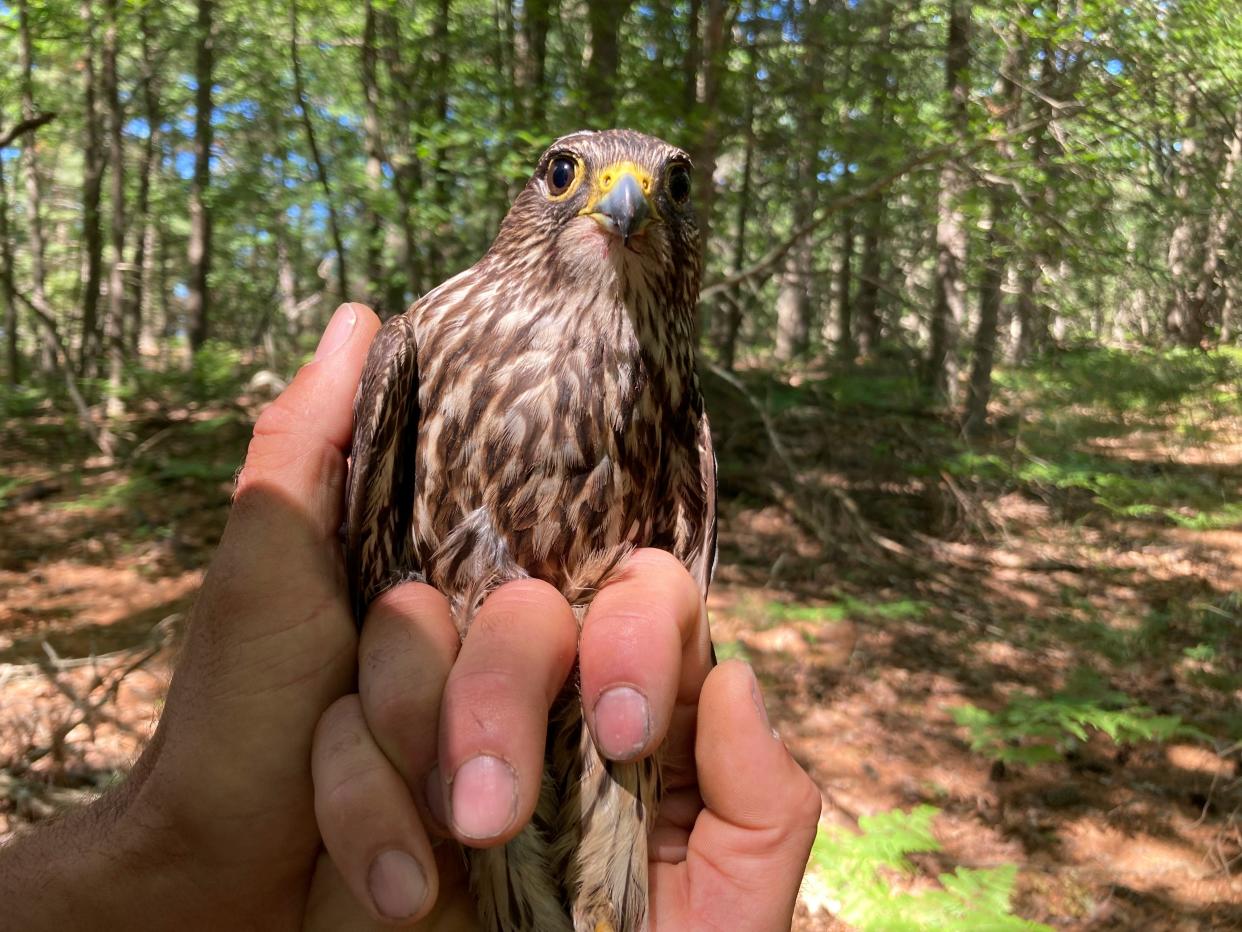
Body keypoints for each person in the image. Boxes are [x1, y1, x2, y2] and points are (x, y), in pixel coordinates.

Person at [0, 304, 821, 930]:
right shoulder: (421, 344)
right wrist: (178, 855)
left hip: (608, 800)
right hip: (413, 827)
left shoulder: (675, 399)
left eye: (671, 190)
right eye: (567, 175)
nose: (621, 201)